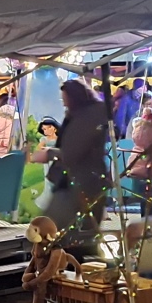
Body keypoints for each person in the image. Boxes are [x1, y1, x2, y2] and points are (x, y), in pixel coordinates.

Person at [40, 80, 107, 236]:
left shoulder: (85, 119)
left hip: (77, 182)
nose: (64, 104)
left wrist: (49, 153)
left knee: (53, 230)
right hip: (86, 180)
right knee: (82, 231)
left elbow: (72, 152)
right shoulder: (89, 115)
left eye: (65, 99)